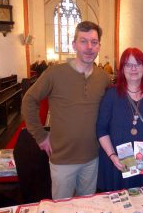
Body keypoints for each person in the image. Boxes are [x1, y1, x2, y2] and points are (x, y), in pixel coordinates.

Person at [22, 21, 111, 200]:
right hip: (62, 159)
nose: (89, 47)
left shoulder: (103, 78)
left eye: (94, 42)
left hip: (92, 158)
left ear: (99, 46)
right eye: (83, 41)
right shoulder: (54, 73)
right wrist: (40, 136)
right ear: (74, 44)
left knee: (87, 207)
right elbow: (29, 101)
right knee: (61, 208)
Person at [96, 47, 143, 191]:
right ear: (122, 68)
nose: (133, 68)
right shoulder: (111, 95)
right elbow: (101, 129)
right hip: (117, 163)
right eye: (128, 64)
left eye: (138, 64)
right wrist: (112, 155)